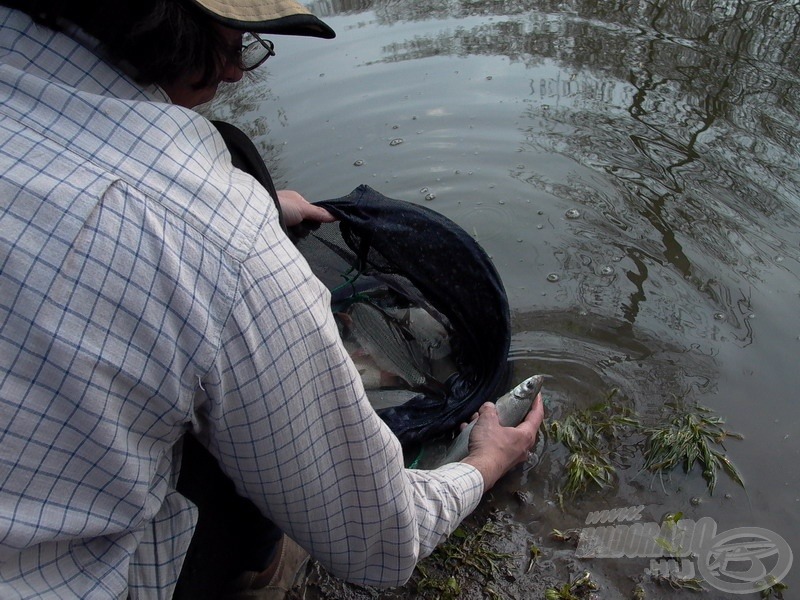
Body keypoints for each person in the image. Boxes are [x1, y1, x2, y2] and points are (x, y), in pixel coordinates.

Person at [0, 1, 545, 599]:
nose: (235, 73)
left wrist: (254, 200)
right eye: (235, 43)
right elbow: (381, 542)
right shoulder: (222, 240)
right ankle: (254, 577)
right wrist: (485, 462)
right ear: (167, 25)